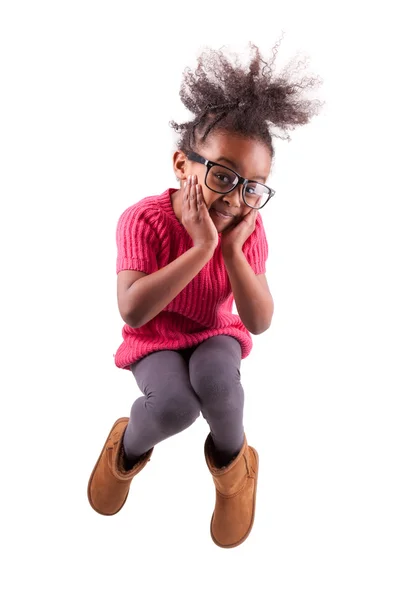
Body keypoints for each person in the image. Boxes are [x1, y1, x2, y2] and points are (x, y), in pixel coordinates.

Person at [87, 39, 323, 548]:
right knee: (174, 406)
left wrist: (232, 253)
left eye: (252, 187)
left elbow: (258, 321)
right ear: (182, 165)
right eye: (222, 175)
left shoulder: (246, 230)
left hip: (214, 332)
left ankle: (234, 468)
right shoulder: (144, 220)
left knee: (217, 382)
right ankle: (124, 450)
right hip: (157, 336)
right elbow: (132, 308)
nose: (236, 198)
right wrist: (201, 247)